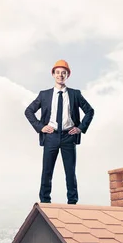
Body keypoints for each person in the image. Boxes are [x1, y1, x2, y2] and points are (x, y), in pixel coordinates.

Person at [24, 60, 95, 204]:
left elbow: (89, 111)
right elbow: (29, 111)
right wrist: (40, 127)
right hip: (51, 136)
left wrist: (80, 127)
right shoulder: (44, 95)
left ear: (68, 75)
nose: (60, 75)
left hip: (69, 136)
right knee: (47, 171)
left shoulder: (75, 94)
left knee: (70, 172)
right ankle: (45, 202)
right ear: (53, 74)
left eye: (63, 73)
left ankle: (72, 202)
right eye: (57, 72)